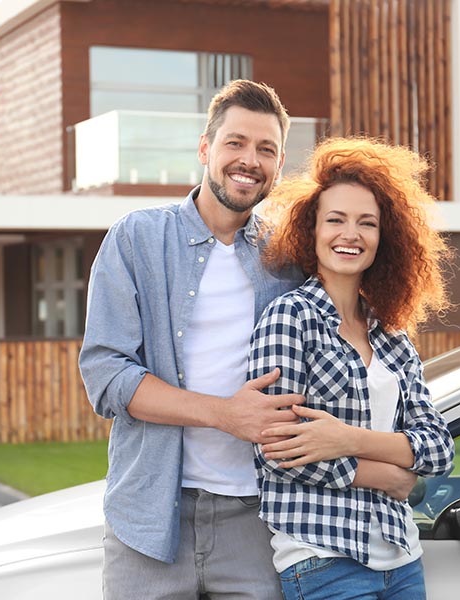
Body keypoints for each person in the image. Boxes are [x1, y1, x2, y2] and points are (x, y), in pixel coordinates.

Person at [79, 80, 304, 599]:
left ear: (279, 162)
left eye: (265, 149)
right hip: (152, 516)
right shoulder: (136, 239)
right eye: (236, 143)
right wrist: (224, 414)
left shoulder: (289, 257)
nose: (249, 160)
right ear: (206, 148)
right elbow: (107, 376)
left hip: (260, 520)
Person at [247, 137, 455, 600]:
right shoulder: (290, 319)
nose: (351, 234)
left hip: (402, 559)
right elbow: (276, 451)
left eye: (367, 223)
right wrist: (387, 472)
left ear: (386, 238)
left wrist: (348, 441)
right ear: (311, 229)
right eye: (335, 220)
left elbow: (439, 449)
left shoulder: (392, 335)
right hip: (322, 558)